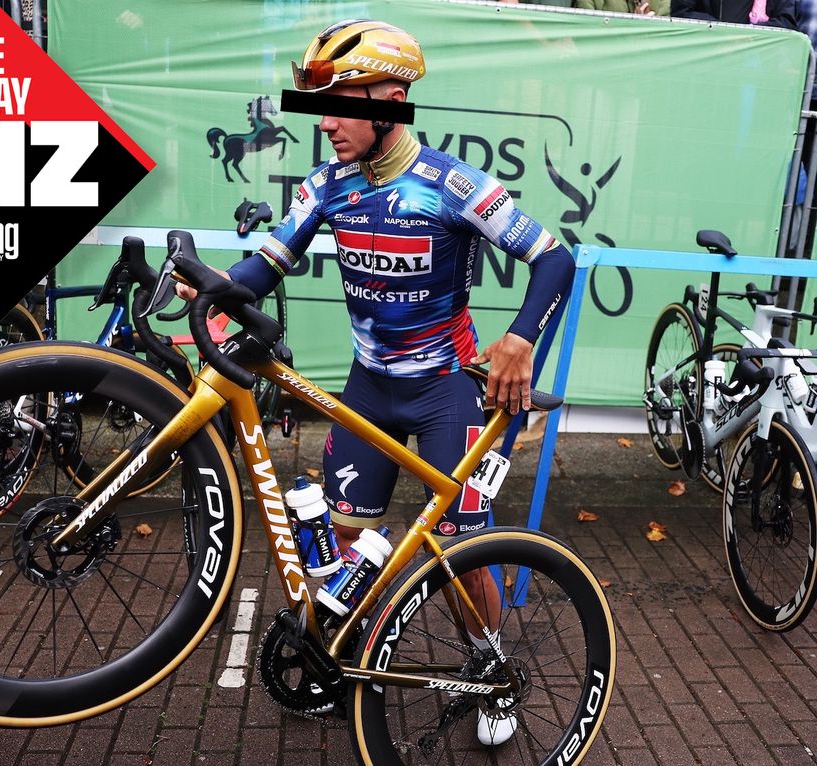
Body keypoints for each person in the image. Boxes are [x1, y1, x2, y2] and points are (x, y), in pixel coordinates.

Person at [179, 19, 575, 747]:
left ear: (391, 103)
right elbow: (264, 268)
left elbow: (554, 260)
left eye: (339, 106)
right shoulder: (328, 185)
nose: (325, 123)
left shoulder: (452, 184)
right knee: (342, 537)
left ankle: (491, 671)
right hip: (369, 388)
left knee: (459, 553)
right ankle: (348, 658)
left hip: (449, 390)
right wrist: (214, 288)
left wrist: (519, 340)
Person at [672, 0, 796, 27]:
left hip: (758, 61)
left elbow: (786, 23)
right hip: (709, 56)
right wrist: (724, 31)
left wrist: (751, 34)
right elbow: (681, 14)